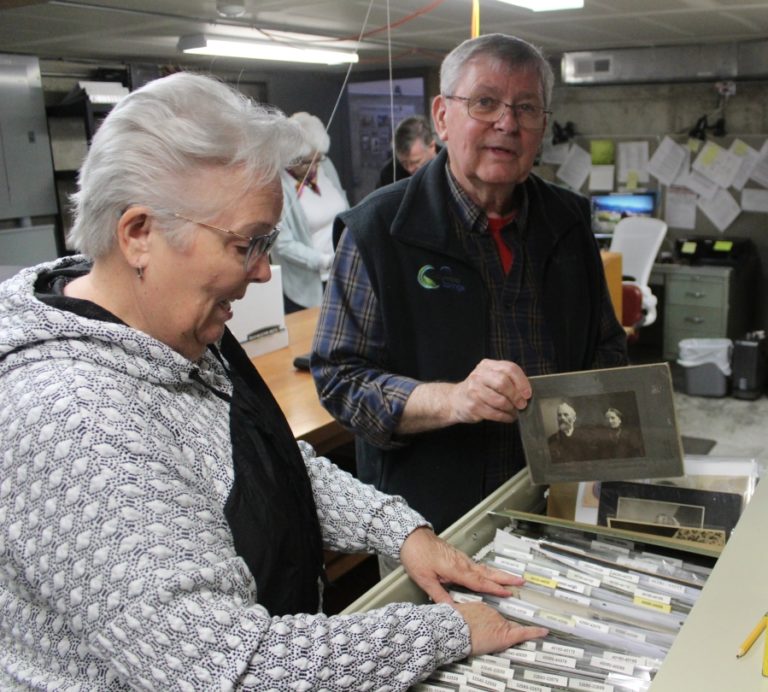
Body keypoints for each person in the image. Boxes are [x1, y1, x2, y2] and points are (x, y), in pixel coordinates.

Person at [0, 72, 548, 690]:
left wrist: (400, 532)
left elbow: (267, 464)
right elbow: (232, 669)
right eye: (248, 244)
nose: (265, 272)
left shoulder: (169, 329)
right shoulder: (72, 419)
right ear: (139, 234)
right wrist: (448, 631)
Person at [312, 33, 627, 536]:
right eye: (485, 102)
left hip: (559, 506)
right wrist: (453, 400)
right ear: (442, 116)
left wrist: (586, 426)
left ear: (542, 126)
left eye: (526, 108)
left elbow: (607, 346)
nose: (507, 123)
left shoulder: (568, 221)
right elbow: (340, 379)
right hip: (431, 523)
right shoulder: (378, 230)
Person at [271, 111, 349, 313]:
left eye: (318, 159)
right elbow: (283, 244)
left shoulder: (326, 166)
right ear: (290, 159)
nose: (314, 167)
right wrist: (325, 261)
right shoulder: (278, 184)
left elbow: (345, 209)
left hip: (341, 274)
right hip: (307, 286)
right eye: (307, 162)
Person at [376, 114, 440, 188]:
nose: (410, 169)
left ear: (432, 146)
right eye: (404, 163)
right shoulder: (389, 174)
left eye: (416, 161)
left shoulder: (451, 164)